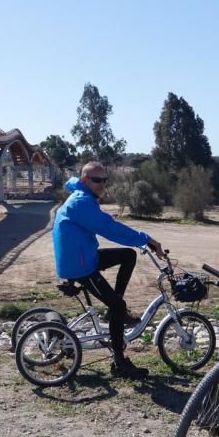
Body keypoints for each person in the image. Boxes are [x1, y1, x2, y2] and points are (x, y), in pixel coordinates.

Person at [53, 161, 165, 380]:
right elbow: (109, 228)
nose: (102, 184)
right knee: (118, 305)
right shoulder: (81, 202)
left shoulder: (83, 197)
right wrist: (146, 239)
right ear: (85, 180)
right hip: (80, 266)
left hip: (84, 257)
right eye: (97, 180)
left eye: (105, 180)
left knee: (127, 255)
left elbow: (106, 226)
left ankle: (114, 310)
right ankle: (119, 362)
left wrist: (139, 243)